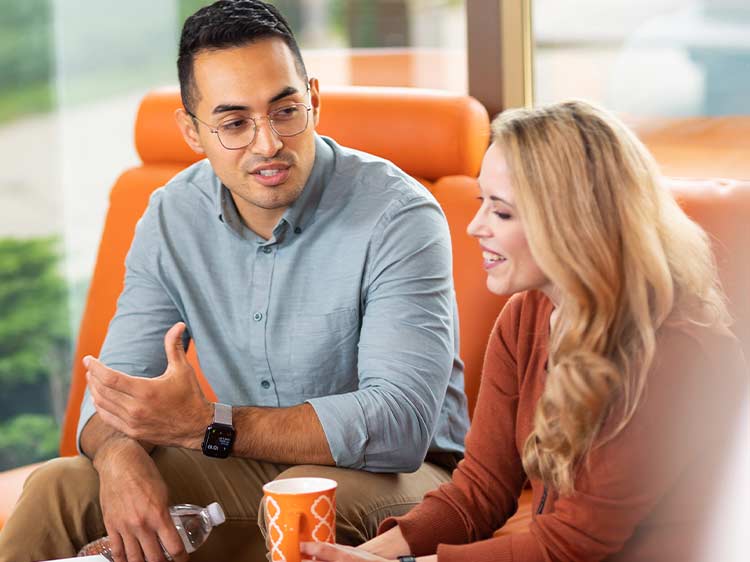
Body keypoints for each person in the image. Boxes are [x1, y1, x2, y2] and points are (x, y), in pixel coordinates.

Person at [0, 2, 469, 562]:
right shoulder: (171, 216)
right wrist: (121, 462)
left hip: (407, 476)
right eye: (234, 123)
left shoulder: (398, 215)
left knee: (300, 498)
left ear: (314, 98)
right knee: (61, 488)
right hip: (246, 461)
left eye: (286, 110)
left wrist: (210, 428)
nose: (268, 143)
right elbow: (115, 394)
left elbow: (399, 425)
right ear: (192, 131)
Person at [298, 101, 748, 562]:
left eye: (503, 213)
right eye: (481, 204)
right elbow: (482, 488)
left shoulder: (673, 351)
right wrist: (369, 555)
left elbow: (572, 545)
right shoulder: (525, 317)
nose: (475, 227)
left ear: (573, 223)